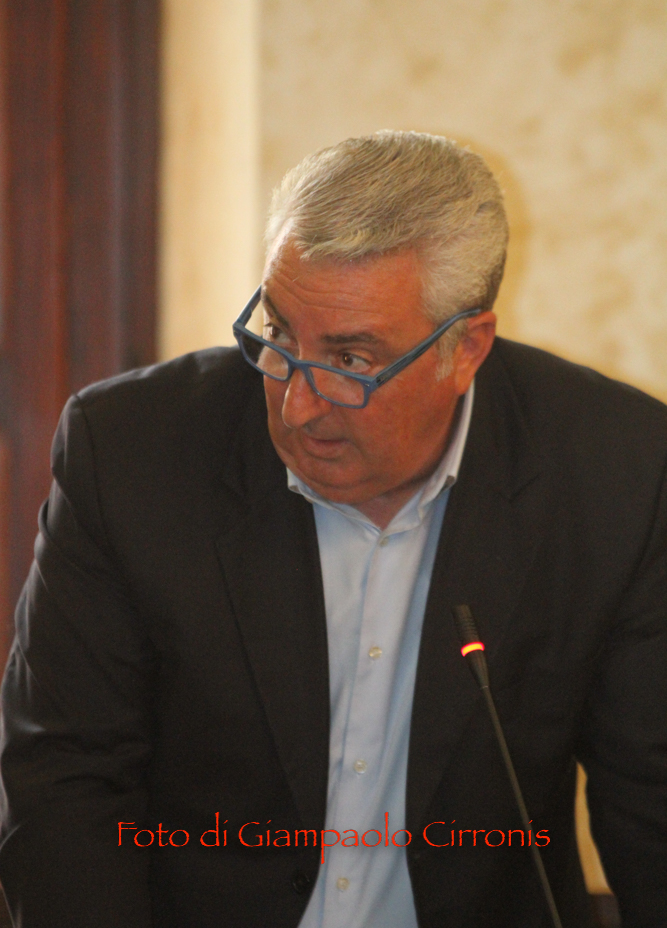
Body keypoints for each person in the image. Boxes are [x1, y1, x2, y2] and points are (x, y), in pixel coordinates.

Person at [0, 131, 665, 928]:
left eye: (350, 361)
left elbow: (651, 794)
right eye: (280, 336)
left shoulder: (613, 471)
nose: (296, 404)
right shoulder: (131, 450)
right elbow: (64, 773)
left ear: (465, 348)